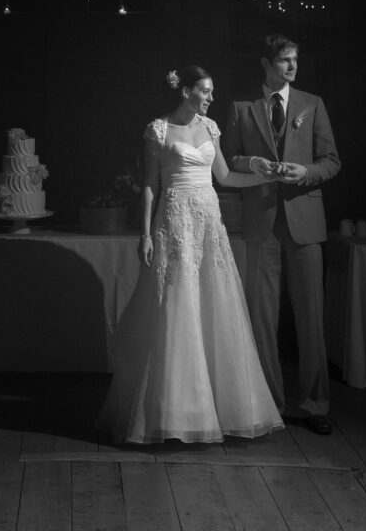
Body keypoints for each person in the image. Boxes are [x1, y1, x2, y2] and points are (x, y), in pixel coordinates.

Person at [97, 65, 284, 444]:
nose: (211, 98)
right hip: (175, 221)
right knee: (176, 309)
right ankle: (175, 413)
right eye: (205, 91)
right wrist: (145, 233)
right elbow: (150, 184)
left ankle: (222, 407)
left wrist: (269, 177)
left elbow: (227, 178)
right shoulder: (158, 130)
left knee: (216, 307)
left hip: (208, 223)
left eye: (212, 91)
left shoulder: (211, 128)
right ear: (185, 91)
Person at [224, 34, 341, 435]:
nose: (291, 67)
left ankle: (315, 404)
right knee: (261, 318)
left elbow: (332, 161)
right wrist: (253, 162)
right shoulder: (242, 107)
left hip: (305, 223)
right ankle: (269, 404)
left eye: (294, 60)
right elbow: (226, 160)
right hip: (262, 223)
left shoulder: (312, 104)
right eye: (283, 61)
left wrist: (305, 172)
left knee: (311, 317)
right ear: (265, 63)